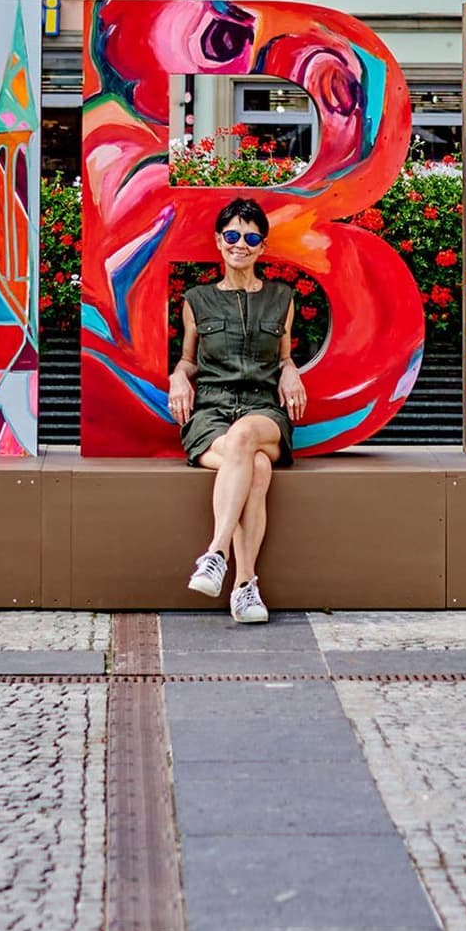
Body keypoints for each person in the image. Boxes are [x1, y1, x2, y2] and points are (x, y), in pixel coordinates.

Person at [167, 197, 303, 626]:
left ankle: (215, 553)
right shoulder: (197, 299)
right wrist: (177, 375)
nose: (239, 244)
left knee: (247, 438)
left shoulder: (282, 299)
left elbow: (283, 357)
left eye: (250, 237)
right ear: (218, 242)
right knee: (256, 470)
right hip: (210, 413)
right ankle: (245, 588)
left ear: (262, 247)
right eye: (231, 235)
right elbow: (189, 359)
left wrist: (291, 369)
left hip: (263, 411)